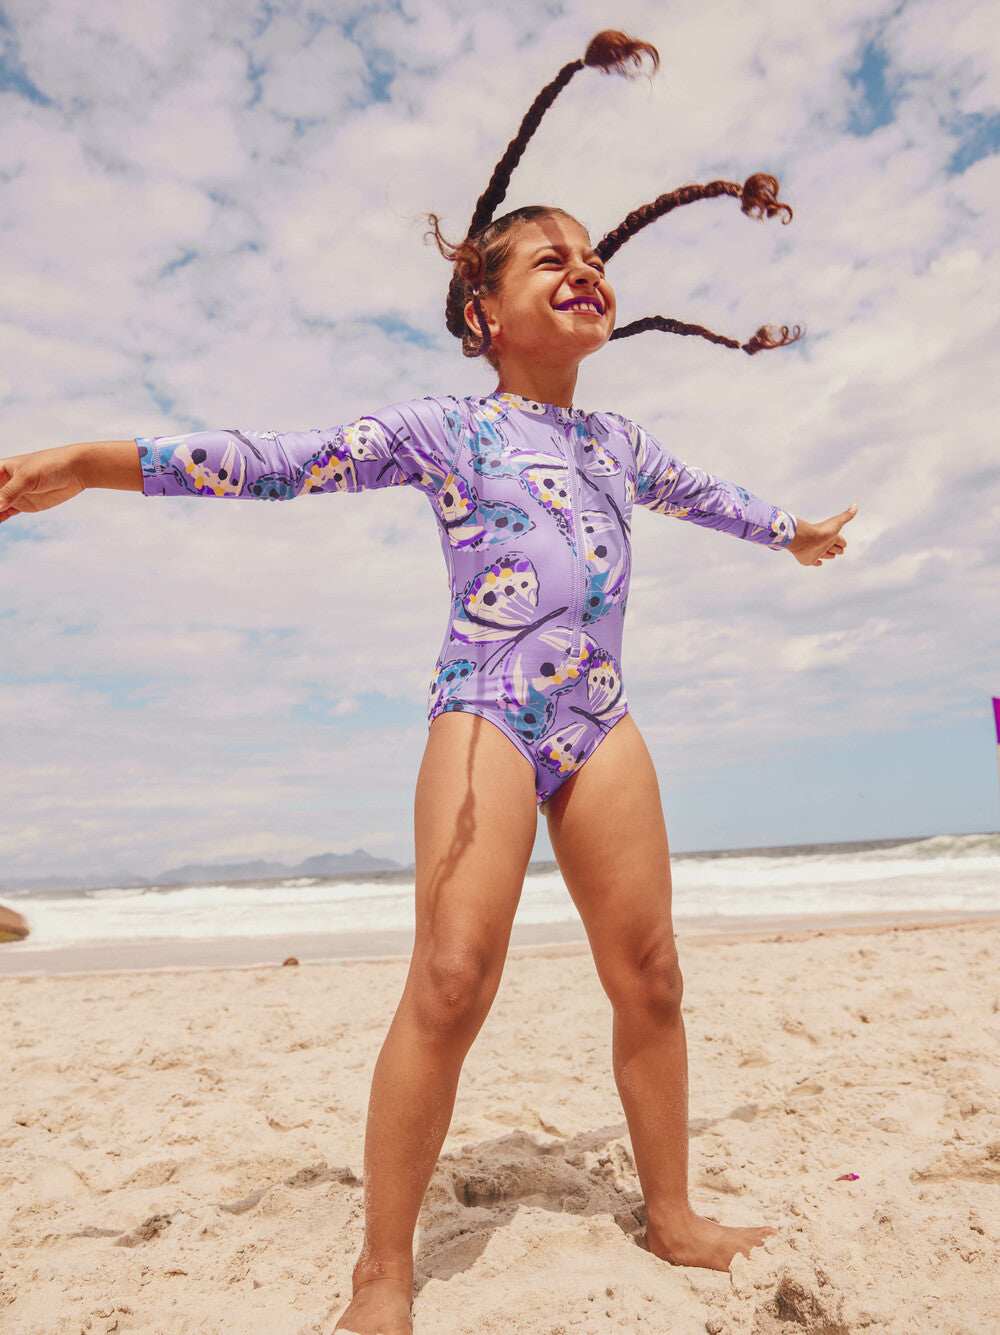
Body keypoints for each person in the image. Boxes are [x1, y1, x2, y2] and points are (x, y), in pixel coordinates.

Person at [0, 30, 857, 1335]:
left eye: (591, 254)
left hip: (602, 720)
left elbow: (710, 496)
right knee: (453, 974)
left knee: (653, 974)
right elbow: (270, 460)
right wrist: (89, 460)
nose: (582, 267)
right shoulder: (442, 428)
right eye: (548, 257)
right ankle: (383, 1273)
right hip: (487, 712)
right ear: (483, 313)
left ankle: (673, 1214)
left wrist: (791, 532)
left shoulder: (620, 440)